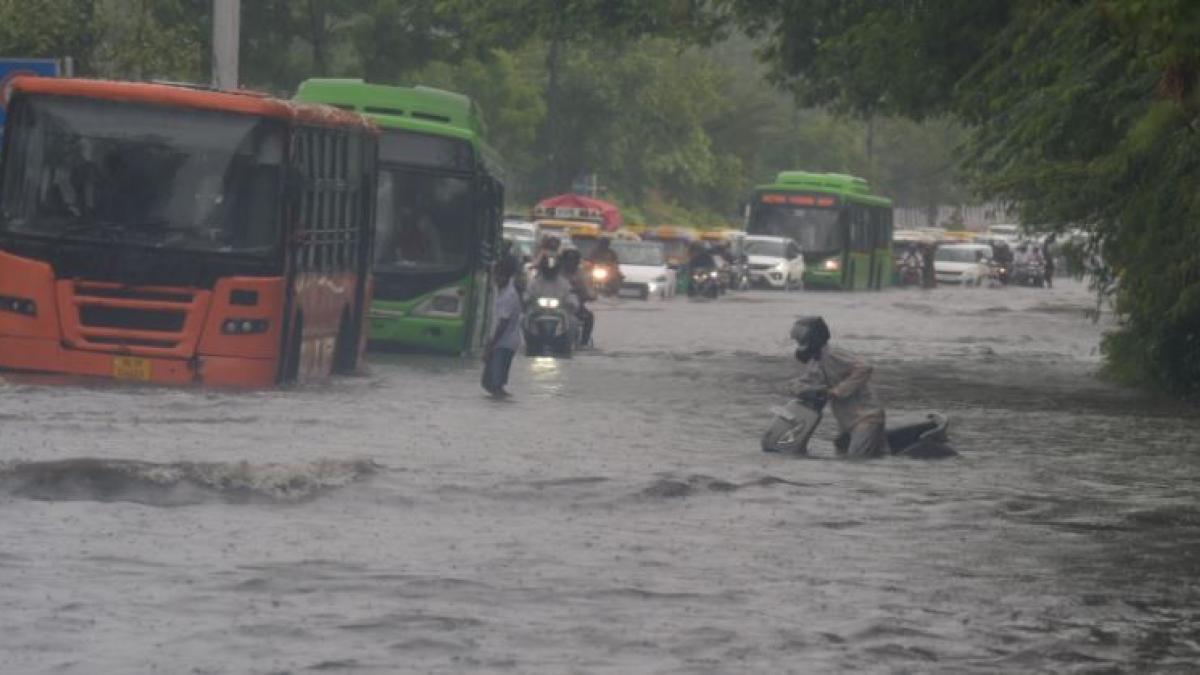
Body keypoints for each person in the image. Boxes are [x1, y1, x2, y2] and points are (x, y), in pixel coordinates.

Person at [790, 316, 890, 458]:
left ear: (814, 338)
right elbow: (807, 381)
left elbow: (865, 367)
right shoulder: (816, 362)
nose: (799, 344)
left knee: (856, 461)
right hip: (847, 420)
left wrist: (839, 390)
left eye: (802, 339)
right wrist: (800, 389)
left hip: (866, 417)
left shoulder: (833, 353)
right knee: (874, 458)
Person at [482, 255, 522, 398]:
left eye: (499, 276)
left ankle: (501, 403)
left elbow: (503, 324)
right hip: (498, 341)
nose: (496, 279)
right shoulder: (499, 290)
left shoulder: (509, 295)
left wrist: (491, 345)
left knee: (495, 383)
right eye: (495, 276)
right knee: (487, 383)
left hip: (504, 343)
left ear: (506, 276)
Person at [561, 248, 595, 347]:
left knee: (589, 317)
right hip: (554, 306)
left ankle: (584, 342)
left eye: (572, 260)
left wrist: (590, 295)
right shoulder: (555, 272)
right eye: (567, 260)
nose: (570, 263)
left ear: (577, 262)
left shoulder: (582, 274)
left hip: (574, 306)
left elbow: (588, 288)